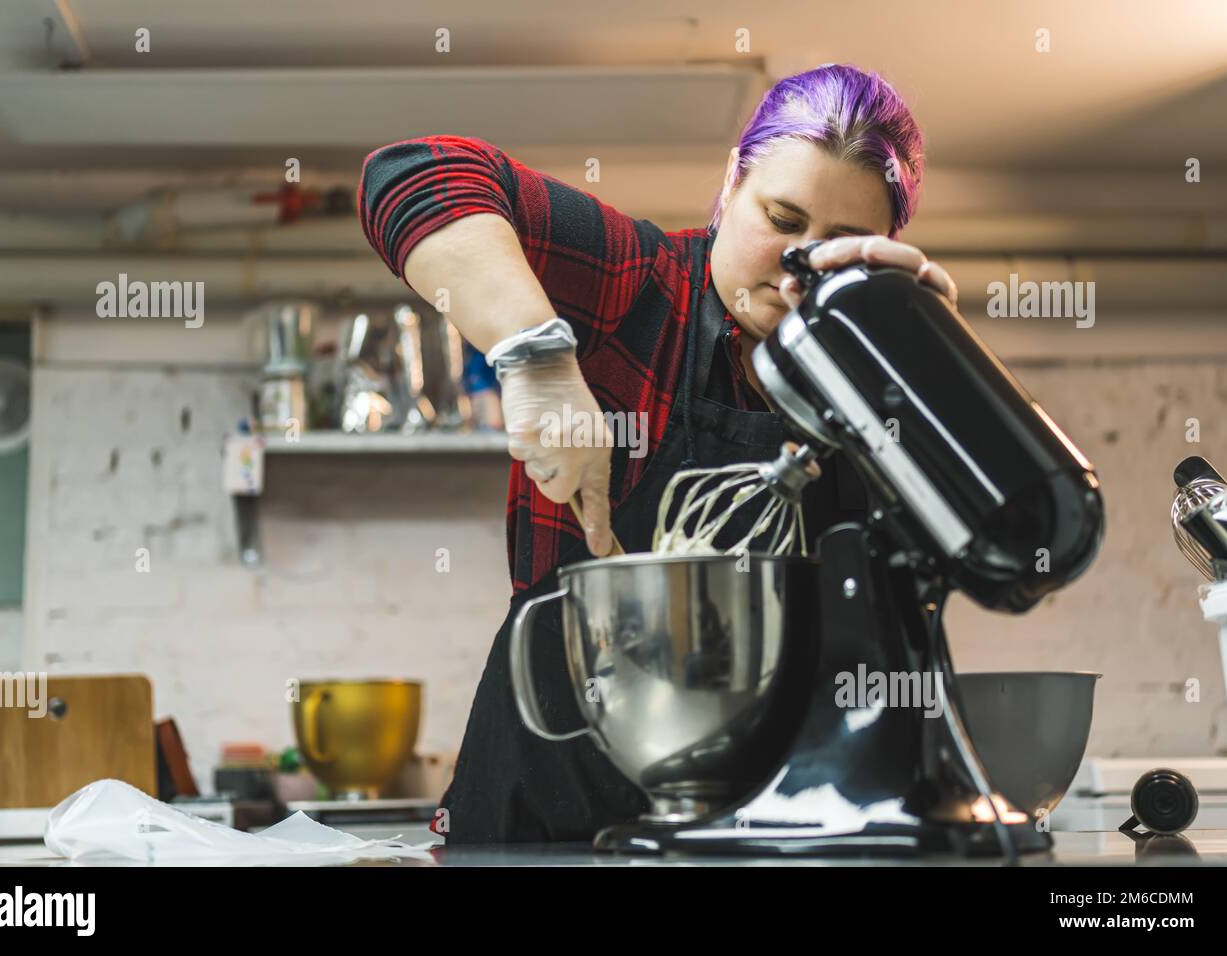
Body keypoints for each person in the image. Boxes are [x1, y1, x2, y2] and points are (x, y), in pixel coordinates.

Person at [357, 63, 958, 844]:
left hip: (786, 821)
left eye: (841, 245)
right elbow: (415, 175)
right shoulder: (638, 287)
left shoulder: (876, 380)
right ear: (730, 184)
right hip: (550, 805)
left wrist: (943, 370)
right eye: (781, 217)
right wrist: (535, 355)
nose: (798, 267)